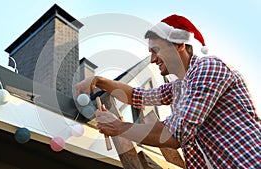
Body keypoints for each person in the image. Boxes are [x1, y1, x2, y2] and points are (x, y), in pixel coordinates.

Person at [75, 14, 261, 168]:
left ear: (179, 44)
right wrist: (98, 80)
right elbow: (136, 96)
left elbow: (174, 134)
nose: (153, 59)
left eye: (156, 50)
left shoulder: (208, 68)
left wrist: (118, 127)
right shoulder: (179, 87)